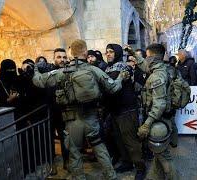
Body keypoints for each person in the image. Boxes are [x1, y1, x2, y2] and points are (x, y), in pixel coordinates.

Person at [33, 39, 130, 180]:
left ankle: (79, 177)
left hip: (71, 121)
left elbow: (39, 81)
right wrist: (121, 77)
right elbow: (113, 88)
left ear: (71, 53)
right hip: (91, 119)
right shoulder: (93, 70)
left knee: (74, 153)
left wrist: (36, 68)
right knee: (100, 148)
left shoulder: (61, 72)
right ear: (85, 52)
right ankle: (111, 176)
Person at [134, 44, 178, 179]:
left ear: (153, 58)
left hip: (159, 120)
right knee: (158, 153)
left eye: (147, 57)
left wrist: (147, 124)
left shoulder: (157, 76)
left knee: (164, 156)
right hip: (162, 118)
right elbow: (144, 66)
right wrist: (133, 53)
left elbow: (159, 104)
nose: (145, 59)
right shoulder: (162, 69)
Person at [104, 43, 146, 179]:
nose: (108, 54)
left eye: (111, 52)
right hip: (115, 111)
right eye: (107, 52)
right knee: (119, 140)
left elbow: (114, 85)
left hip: (126, 110)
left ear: (117, 53)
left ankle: (140, 167)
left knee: (131, 141)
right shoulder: (108, 68)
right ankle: (127, 162)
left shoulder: (124, 67)